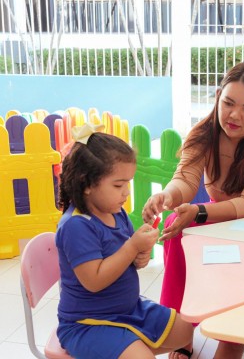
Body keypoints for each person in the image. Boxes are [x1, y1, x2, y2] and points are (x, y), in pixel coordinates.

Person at [142, 62, 244, 359]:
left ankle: (233, 340)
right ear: (217, 97)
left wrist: (201, 212)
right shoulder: (204, 133)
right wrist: (166, 196)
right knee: (177, 227)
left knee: (243, 265)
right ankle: (181, 329)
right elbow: (185, 180)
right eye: (228, 103)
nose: (234, 115)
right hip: (228, 213)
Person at [55, 123, 193, 359]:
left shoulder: (117, 214)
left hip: (128, 311)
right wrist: (132, 247)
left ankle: (127, 346)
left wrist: (141, 252)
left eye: (128, 183)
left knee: (187, 332)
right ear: (86, 183)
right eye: (118, 185)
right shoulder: (76, 226)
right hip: (88, 324)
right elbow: (95, 281)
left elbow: (132, 264)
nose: (127, 192)